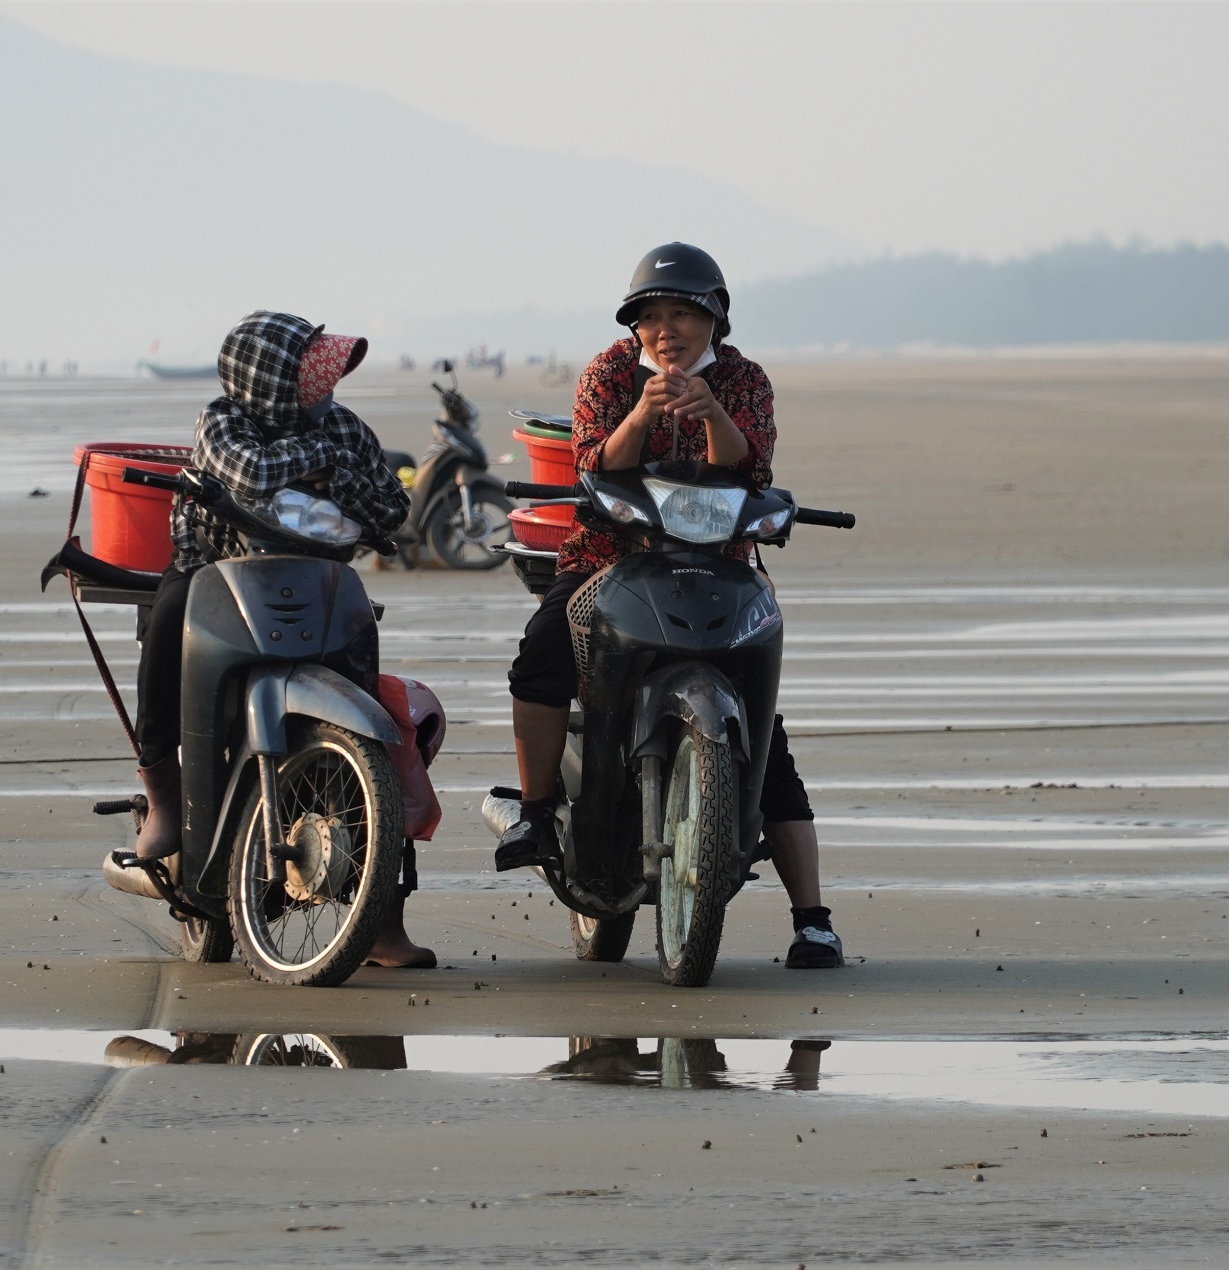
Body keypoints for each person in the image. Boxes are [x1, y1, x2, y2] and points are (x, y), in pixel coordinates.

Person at [495, 243, 845, 969]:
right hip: (610, 561)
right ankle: (532, 813)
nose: (666, 330)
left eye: (682, 313)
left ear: (713, 317)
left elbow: (750, 468)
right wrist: (641, 417)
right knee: (540, 661)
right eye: (651, 317)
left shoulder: (743, 380)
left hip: (718, 569)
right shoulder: (611, 373)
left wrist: (713, 410)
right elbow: (594, 464)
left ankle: (813, 920)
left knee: (765, 738)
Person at [126, 311, 431, 967]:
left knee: (373, 706)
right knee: (164, 624)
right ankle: (163, 794)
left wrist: (338, 472)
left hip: (316, 573)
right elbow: (251, 473)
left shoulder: (345, 424)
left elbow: (391, 507)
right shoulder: (222, 419)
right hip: (214, 574)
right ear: (267, 380)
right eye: (310, 372)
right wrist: (329, 465)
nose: (325, 385)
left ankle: (376, 913)